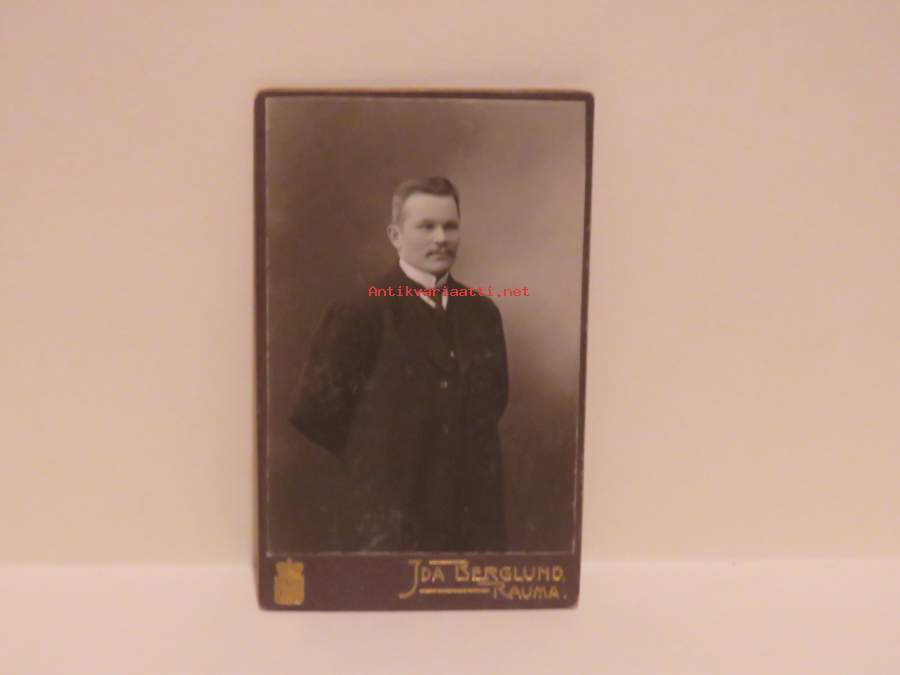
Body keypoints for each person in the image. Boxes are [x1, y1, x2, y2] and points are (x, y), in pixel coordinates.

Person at [290, 177, 509, 552]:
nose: (441, 238)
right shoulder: (362, 310)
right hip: (393, 520)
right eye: (426, 227)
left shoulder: (482, 313)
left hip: (472, 523)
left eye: (450, 226)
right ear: (395, 235)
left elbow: (495, 401)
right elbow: (314, 413)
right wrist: (381, 454)